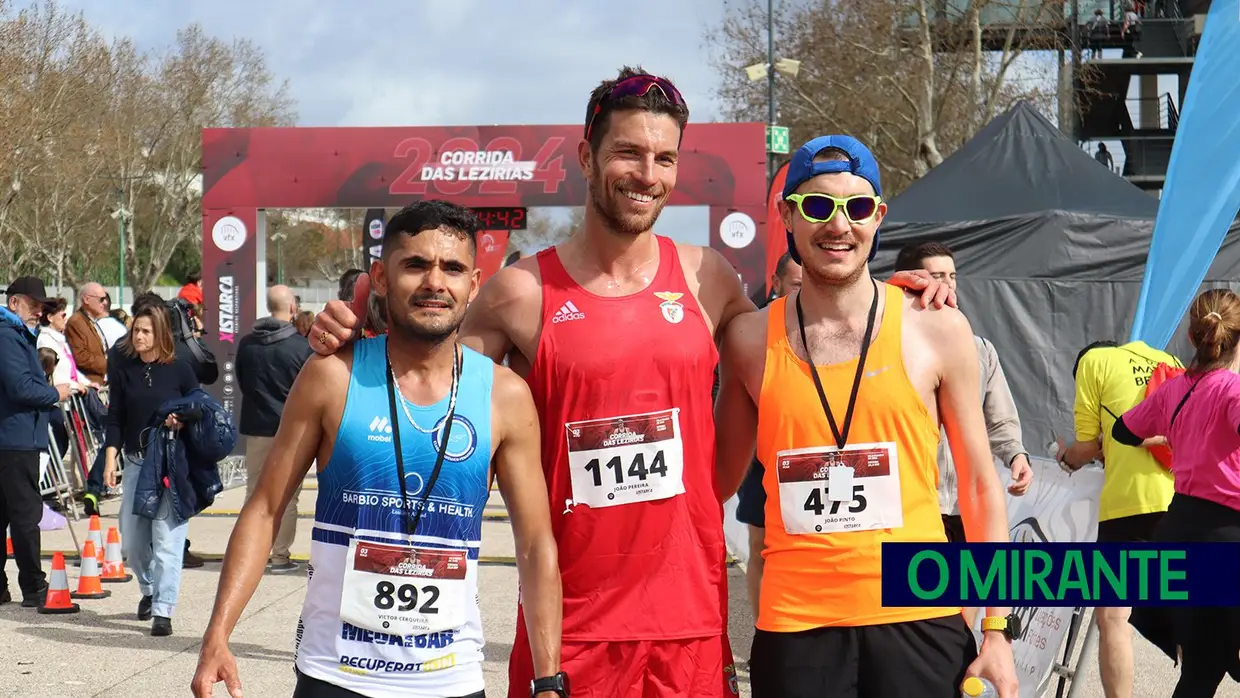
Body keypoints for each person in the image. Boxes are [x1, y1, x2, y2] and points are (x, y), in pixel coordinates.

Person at [308, 67, 955, 697]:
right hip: (573, 625)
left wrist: (888, 295)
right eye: (629, 153)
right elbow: (423, 376)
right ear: (586, 156)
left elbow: (813, 323)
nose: (648, 174)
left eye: (664, 158)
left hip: (698, 624)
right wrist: (353, 337)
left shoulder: (710, 280)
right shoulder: (519, 293)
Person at [192, 201, 563, 698]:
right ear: (382, 278)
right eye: (415, 265)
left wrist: (548, 680)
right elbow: (264, 508)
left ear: (474, 285)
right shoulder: (331, 376)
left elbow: (536, 544)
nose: (435, 282)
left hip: (450, 677)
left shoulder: (505, 396)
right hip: (335, 673)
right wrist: (217, 634)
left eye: (452, 268)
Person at [714, 136, 1018, 698]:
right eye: (817, 206)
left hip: (920, 618)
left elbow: (978, 486)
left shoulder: (937, 329)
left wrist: (998, 629)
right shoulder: (749, 340)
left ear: (878, 216)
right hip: (796, 627)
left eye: (855, 208)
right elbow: (710, 491)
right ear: (787, 214)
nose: (838, 225)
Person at [1113, 289, 1240, 697]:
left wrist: (1166, 434)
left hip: (1181, 531)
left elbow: (1123, 431)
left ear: (1191, 336)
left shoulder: (1175, 390)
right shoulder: (1232, 391)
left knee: (1201, 671)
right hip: (1226, 537)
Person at [1057, 336, 1178, 698]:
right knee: (1195, 614)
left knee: (1112, 617)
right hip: (1185, 499)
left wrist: (1066, 457)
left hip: (1129, 505)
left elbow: (1088, 444)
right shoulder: (1169, 358)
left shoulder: (1092, 364)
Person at [892, 241, 1033, 550]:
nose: (948, 284)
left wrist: (1016, 455)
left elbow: (998, 417)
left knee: (969, 595)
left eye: (952, 275)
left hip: (965, 505)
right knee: (918, 596)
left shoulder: (980, 349)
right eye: (937, 275)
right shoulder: (884, 344)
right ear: (911, 280)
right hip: (910, 504)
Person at [102, 302, 200, 636]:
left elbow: (200, 407)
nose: (139, 336)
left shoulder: (180, 368)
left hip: (172, 463)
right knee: (132, 541)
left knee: (168, 540)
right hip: (135, 462)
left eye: (145, 331)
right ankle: (148, 590)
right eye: (135, 330)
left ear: (159, 333)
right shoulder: (124, 368)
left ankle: (163, 610)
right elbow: (115, 416)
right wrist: (110, 458)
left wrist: (182, 418)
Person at [734, 252, 801, 618]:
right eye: (796, 285)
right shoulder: (750, 329)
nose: (804, 292)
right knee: (761, 545)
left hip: (816, 462)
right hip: (762, 461)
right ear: (775, 284)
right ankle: (763, 632)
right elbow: (722, 392)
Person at [0, 277, 72, 608]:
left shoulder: (18, 336)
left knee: (7, 513)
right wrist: (53, 393)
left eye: (42, 307)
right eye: (34, 305)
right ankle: (34, 586)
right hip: (16, 438)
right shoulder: (8, 336)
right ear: (14, 303)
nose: (38, 312)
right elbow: (21, 388)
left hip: (15, 436)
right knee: (26, 516)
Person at [235, 284, 312, 574]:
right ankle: (279, 556)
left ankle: (249, 555)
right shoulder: (301, 347)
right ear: (292, 307)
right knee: (287, 496)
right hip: (291, 432)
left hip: (257, 428)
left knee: (254, 493)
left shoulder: (246, 344)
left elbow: (242, 382)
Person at [66, 282, 111, 386]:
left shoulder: (89, 321)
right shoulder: (76, 322)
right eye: (101, 299)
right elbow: (81, 358)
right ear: (86, 299)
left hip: (98, 385)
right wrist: (110, 364)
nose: (104, 303)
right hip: (88, 388)